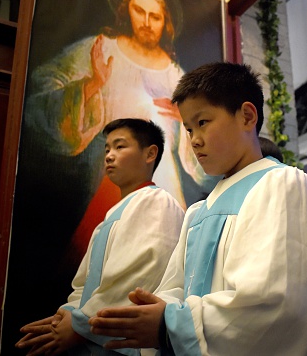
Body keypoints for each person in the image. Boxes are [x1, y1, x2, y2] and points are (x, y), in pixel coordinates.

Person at [88, 63, 307, 355]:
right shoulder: (199, 211)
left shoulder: (282, 184)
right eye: (188, 129)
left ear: (247, 116)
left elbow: (276, 302)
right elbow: (175, 286)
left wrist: (170, 326)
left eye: (203, 122)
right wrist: (157, 311)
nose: (194, 140)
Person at [25, 0, 217, 257]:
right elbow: (42, 91)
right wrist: (91, 85)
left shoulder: (174, 74)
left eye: (155, 16)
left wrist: (185, 119)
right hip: (108, 181)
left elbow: (200, 152)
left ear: (164, 21)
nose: (146, 22)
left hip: (164, 185)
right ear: (126, 10)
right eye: (140, 12)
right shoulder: (101, 49)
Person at [15, 118, 185, 355]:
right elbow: (83, 284)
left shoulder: (157, 202)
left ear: (150, 154)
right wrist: (66, 315)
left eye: (120, 146)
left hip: (119, 344)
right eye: (107, 149)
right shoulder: (113, 214)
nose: (109, 155)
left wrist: (80, 325)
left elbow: (138, 276)